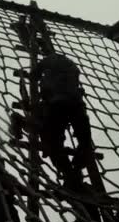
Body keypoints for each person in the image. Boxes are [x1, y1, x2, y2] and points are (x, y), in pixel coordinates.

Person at [30, 53, 95, 188]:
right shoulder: (72, 67)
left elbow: (35, 73)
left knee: (52, 141)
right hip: (76, 104)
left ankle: (69, 174)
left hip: (57, 105)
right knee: (85, 142)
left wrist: (36, 77)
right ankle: (76, 170)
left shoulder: (50, 62)